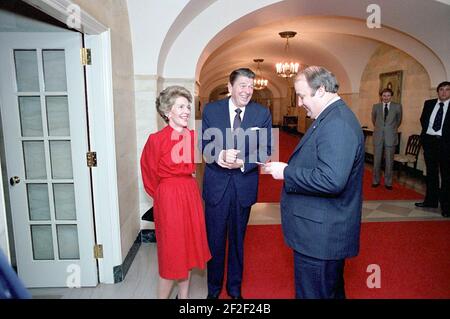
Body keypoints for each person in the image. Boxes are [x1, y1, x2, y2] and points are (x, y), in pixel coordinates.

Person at [264, 66, 365, 299]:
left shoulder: (337, 123)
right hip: (319, 232)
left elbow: (332, 180)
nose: (299, 103)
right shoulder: (329, 117)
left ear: (320, 91)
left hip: (321, 236)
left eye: (302, 95)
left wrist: (287, 172)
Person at [201, 68, 272, 299]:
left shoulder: (261, 113)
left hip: (244, 186)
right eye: (242, 85)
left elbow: (266, 149)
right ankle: (213, 290)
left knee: (238, 242)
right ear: (230, 87)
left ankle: (234, 289)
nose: (247, 90)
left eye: (251, 86)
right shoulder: (212, 110)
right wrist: (219, 155)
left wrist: (243, 163)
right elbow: (203, 145)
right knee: (215, 241)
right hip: (216, 187)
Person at [140, 85, 211, 299]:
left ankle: (184, 298)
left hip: (190, 194)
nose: (187, 111)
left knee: (187, 250)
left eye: (188, 107)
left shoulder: (193, 136)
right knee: (172, 253)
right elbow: (148, 174)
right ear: (167, 111)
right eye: (180, 106)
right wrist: (164, 196)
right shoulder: (156, 139)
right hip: (169, 198)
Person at [415, 81, 450, 218]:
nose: (444, 92)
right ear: (437, 91)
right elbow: (423, 120)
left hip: (446, 145)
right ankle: (431, 201)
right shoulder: (429, 103)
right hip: (430, 143)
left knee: (446, 176)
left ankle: (446, 206)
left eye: (447, 90)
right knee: (431, 174)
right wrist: (426, 138)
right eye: (441, 89)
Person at [371, 88, 402, 190]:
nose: (386, 97)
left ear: (391, 96)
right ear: (381, 96)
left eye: (388, 95)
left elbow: (398, 121)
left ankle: (388, 182)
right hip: (378, 136)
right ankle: (376, 181)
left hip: (390, 137)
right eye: (384, 95)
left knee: (389, 161)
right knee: (377, 160)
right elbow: (374, 120)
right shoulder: (376, 107)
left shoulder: (397, 106)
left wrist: (390, 129)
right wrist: (381, 128)